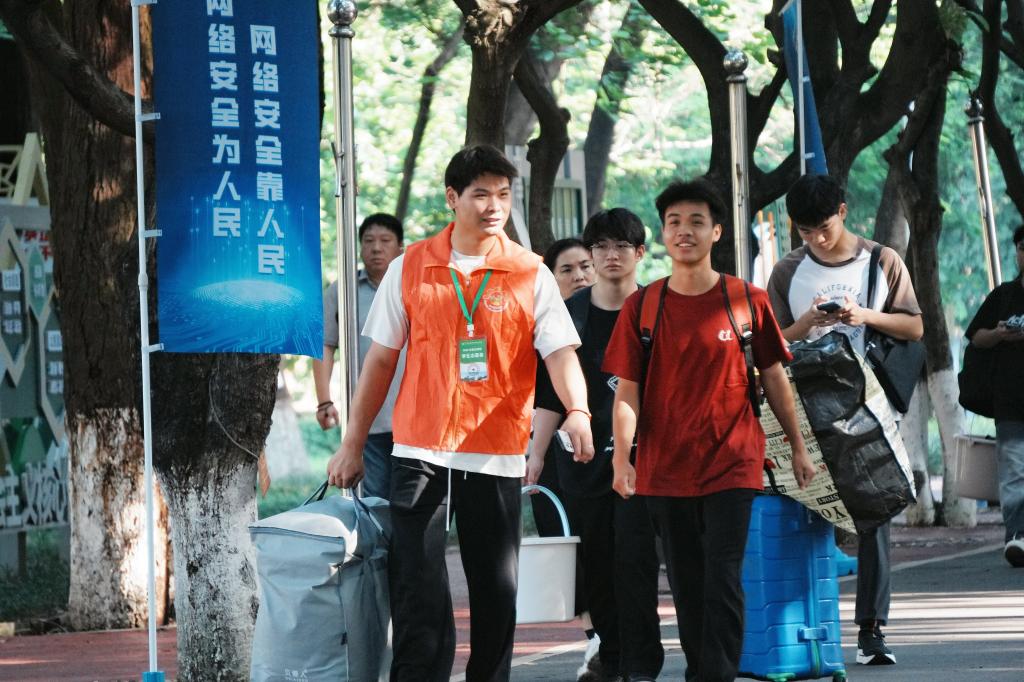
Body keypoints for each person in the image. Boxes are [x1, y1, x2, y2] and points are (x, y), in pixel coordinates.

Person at [326, 144, 594, 682]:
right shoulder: (410, 267)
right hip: (420, 451)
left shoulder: (530, 272)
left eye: (504, 194)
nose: (494, 206)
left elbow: (560, 353)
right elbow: (379, 361)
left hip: (495, 453)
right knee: (417, 586)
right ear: (453, 198)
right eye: (481, 194)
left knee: (495, 588)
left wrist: (579, 409)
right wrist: (352, 442)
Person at [604, 179, 816, 682]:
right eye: (674, 222)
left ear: (716, 231)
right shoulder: (643, 306)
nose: (684, 231)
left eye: (696, 222)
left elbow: (774, 376)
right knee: (687, 584)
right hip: (664, 469)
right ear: (663, 234)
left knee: (722, 577)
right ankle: (701, 670)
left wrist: (798, 448)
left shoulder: (746, 299)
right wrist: (622, 459)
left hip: (733, 462)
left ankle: (716, 675)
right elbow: (627, 391)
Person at [766, 174, 923, 666]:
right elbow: (769, 345)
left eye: (824, 227)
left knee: (876, 513)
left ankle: (871, 630)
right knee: (806, 511)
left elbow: (914, 325)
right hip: (805, 408)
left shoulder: (881, 260)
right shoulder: (787, 271)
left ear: (843, 211)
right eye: (805, 230)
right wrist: (803, 326)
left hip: (868, 407)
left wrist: (864, 316)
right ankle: (808, 628)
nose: (816, 238)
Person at [529, 208, 663, 682]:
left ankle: (642, 663)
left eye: (621, 246)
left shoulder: (657, 309)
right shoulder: (570, 314)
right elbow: (550, 393)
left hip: (645, 460)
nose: (610, 256)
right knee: (597, 565)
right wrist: (536, 453)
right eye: (601, 247)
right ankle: (614, 656)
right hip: (583, 460)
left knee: (636, 561)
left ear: (639, 253)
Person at [313, 213, 405, 500]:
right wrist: (324, 400)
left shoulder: (414, 286)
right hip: (367, 421)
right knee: (374, 503)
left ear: (400, 247)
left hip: (413, 420)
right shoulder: (342, 291)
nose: (376, 248)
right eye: (368, 241)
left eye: (385, 240)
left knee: (411, 504)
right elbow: (325, 345)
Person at [965, 224, 1024, 568]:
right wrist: (999, 334)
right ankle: (1017, 536)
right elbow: (976, 337)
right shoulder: (1003, 296)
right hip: (1009, 400)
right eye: (1022, 247)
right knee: (1014, 473)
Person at [531, 238, 598, 538]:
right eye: (567, 270)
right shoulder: (544, 326)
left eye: (585, 266)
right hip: (555, 449)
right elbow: (547, 398)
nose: (579, 276)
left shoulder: (617, 316)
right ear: (551, 279)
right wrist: (536, 455)